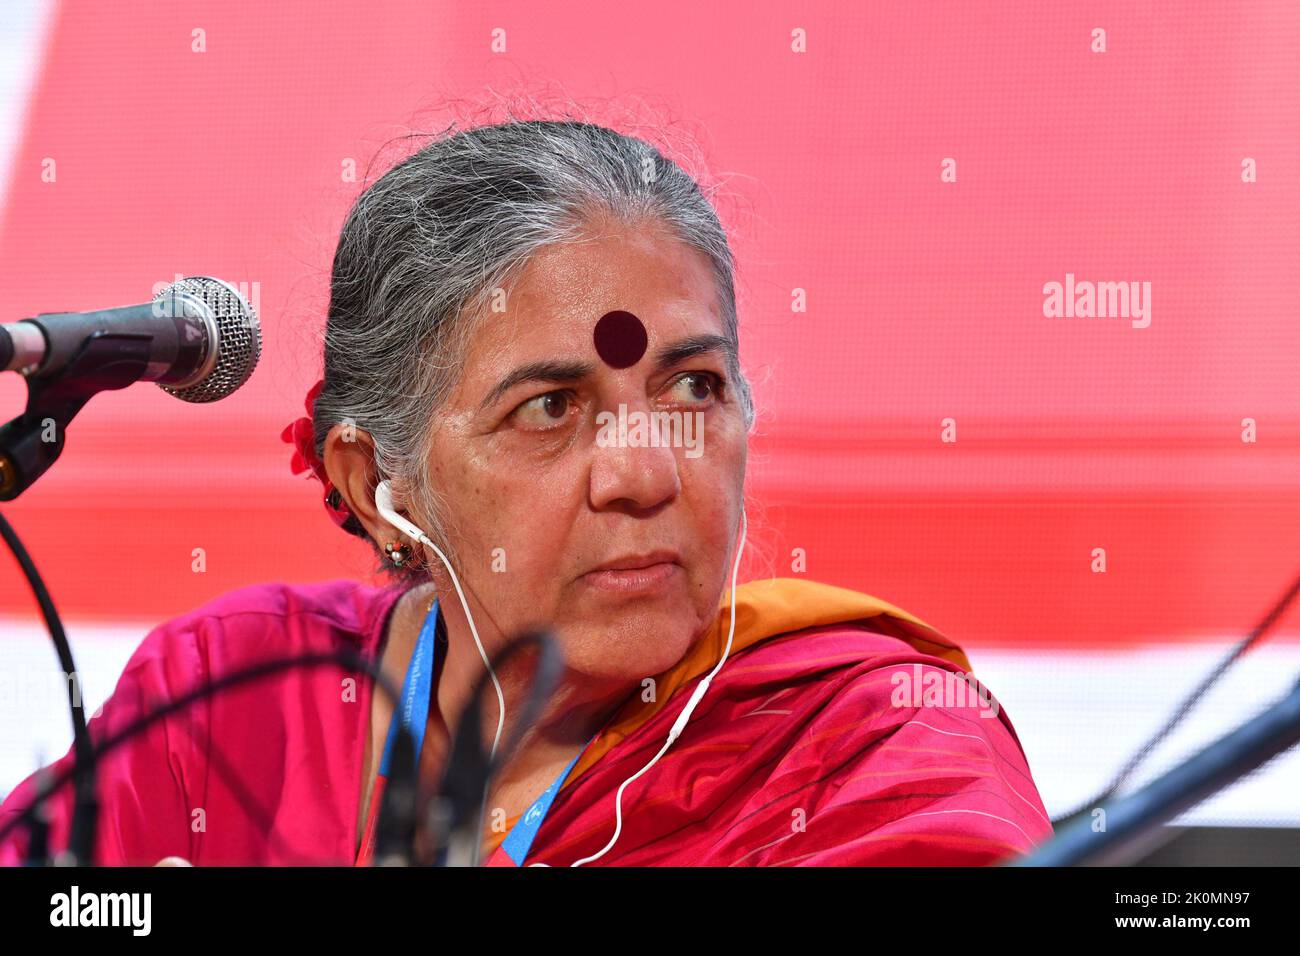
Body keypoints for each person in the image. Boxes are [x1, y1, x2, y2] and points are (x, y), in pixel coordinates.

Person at [0, 117, 1052, 866]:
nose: (644, 473)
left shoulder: (871, 741)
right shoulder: (239, 691)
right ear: (374, 484)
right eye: (549, 408)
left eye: (693, 387)